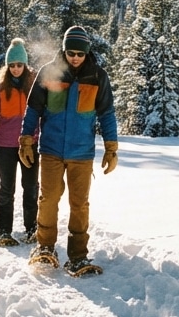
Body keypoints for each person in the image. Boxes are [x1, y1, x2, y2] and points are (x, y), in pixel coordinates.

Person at [18, 25, 118, 275]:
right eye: (71, 52)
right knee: (48, 199)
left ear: (87, 53)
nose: (75, 57)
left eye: (80, 54)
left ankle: (78, 256)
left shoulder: (97, 76)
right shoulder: (48, 72)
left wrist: (111, 148)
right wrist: (26, 140)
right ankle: (45, 247)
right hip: (51, 149)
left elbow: (107, 114)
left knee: (79, 204)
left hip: (82, 152)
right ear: (64, 50)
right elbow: (33, 110)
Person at [0, 38, 39, 247]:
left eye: (19, 65)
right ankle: (4, 231)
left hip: (30, 144)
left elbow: (43, 113)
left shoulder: (34, 84)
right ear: (7, 66)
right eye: (12, 65)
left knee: (30, 188)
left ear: (25, 64)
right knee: (7, 188)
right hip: (5, 145)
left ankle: (32, 228)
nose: (15, 69)